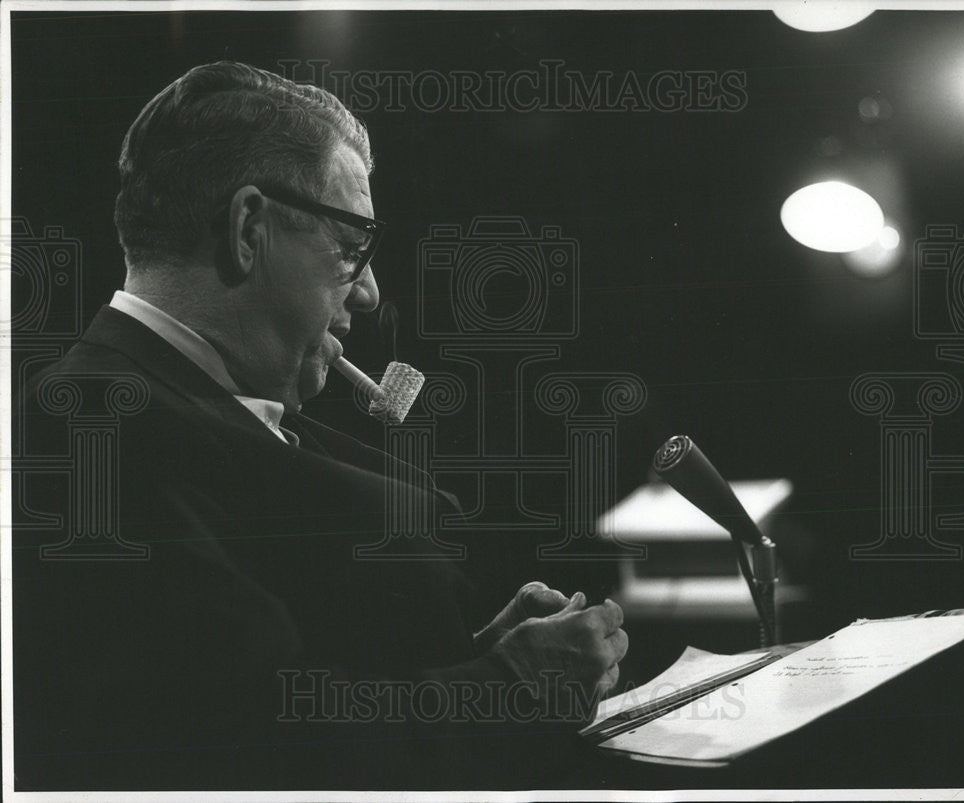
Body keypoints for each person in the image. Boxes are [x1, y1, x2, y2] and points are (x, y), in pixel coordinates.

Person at [13, 61, 627, 791]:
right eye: (350, 249)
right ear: (249, 229)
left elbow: (296, 663)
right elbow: (263, 739)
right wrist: (510, 682)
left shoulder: (159, 408)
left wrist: (464, 653)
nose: (368, 292)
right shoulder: (89, 431)